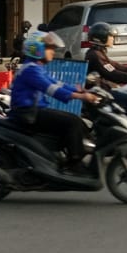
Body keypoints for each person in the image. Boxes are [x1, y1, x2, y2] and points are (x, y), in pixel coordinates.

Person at [11, 31, 99, 170]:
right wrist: (81, 97)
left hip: (34, 111)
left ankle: (66, 154)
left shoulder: (36, 67)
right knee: (73, 121)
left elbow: (57, 83)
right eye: (49, 48)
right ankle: (74, 161)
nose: (53, 52)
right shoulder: (31, 70)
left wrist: (79, 91)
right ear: (37, 49)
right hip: (28, 113)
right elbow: (51, 89)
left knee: (78, 122)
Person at [81, 23, 127, 121]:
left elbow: (116, 66)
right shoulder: (95, 55)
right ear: (101, 38)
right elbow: (113, 74)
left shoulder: (98, 53)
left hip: (103, 90)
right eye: (110, 36)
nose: (112, 38)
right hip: (100, 92)